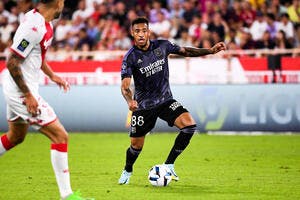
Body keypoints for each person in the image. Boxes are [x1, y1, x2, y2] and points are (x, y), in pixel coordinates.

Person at [0, 1, 93, 199]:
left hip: (19, 86)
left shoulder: (46, 23)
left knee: (16, 137)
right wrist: (27, 95)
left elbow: (37, 57)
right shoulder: (33, 27)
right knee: (61, 136)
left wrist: (53, 76)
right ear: (58, 2)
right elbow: (12, 61)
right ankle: (67, 195)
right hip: (20, 90)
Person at [118, 17, 226, 184]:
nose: (140, 34)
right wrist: (129, 101)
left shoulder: (163, 45)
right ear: (132, 33)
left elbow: (186, 51)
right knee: (136, 147)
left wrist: (210, 51)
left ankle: (168, 165)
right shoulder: (130, 58)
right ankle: (127, 170)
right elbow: (125, 86)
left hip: (165, 100)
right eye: (137, 31)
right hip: (143, 107)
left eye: (143, 30)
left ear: (148, 32)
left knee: (189, 126)